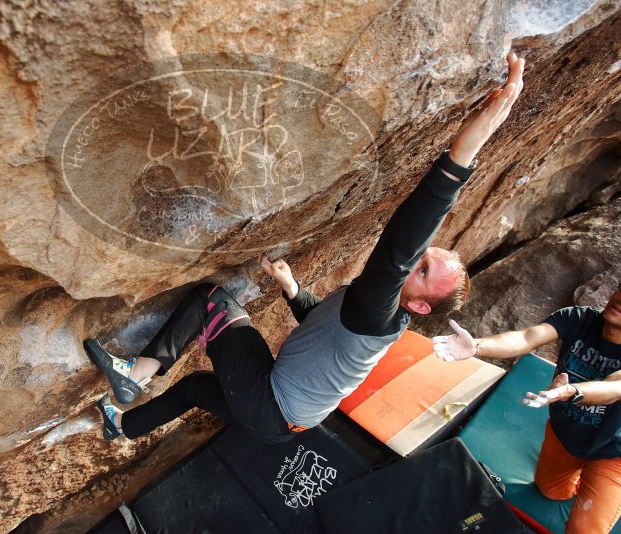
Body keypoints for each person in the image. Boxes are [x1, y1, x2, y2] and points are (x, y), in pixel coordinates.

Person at [87, 51, 525, 444]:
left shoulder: (379, 310)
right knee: (199, 388)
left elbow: (404, 239)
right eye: (425, 261)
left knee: (211, 301)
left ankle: (134, 377)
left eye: (423, 272)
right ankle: (121, 426)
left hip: (270, 402)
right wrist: (292, 287)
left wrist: (458, 160)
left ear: (422, 307)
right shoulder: (374, 320)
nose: (415, 263)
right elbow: (323, 328)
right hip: (286, 425)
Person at [432, 284, 621, 534]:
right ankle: (577, 482)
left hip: (613, 453)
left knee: (584, 529)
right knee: (550, 491)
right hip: (563, 436)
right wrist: (478, 346)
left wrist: (570, 392)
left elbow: (614, 388)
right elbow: (526, 337)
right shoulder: (579, 318)